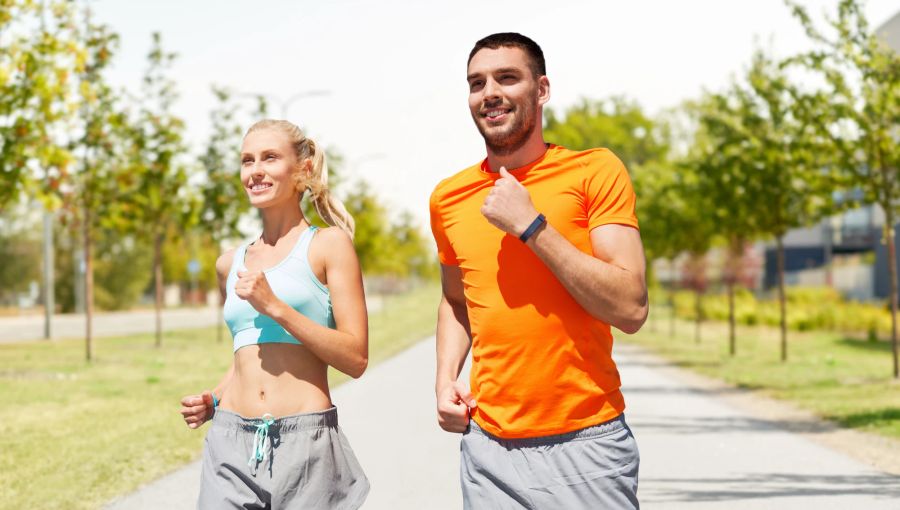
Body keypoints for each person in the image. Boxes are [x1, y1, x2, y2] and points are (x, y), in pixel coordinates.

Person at [429, 33, 647, 509]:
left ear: (541, 90)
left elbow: (630, 307)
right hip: (487, 448)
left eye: (507, 78)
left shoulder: (594, 171)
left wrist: (531, 226)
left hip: (586, 445)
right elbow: (455, 299)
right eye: (476, 82)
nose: (489, 92)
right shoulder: (448, 197)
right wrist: (446, 378)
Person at [180, 119, 370, 509]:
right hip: (230, 441)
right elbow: (248, 352)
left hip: (306, 445)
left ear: (303, 170)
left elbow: (355, 358)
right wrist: (214, 399)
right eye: (247, 161)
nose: (256, 171)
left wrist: (277, 307)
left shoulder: (328, 246)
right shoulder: (229, 263)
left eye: (270, 158)